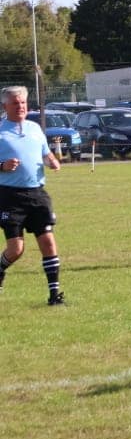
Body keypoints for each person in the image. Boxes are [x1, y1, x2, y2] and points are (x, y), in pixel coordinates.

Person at [0, 86, 66, 305]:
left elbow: (45, 154)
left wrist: (52, 161)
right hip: (9, 197)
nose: (20, 107)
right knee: (16, 249)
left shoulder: (35, 128)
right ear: (5, 106)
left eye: (23, 103)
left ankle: (54, 295)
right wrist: (2, 166)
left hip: (37, 194)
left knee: (48, 242)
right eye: (15, 103)